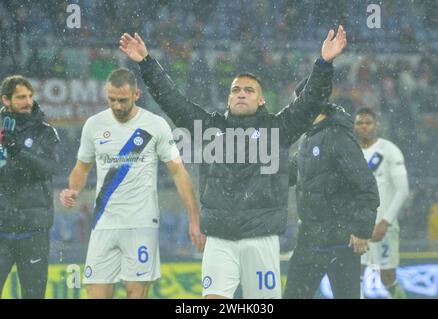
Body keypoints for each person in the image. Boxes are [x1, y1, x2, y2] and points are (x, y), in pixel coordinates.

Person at [119, 25, 347, 299]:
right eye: (236, 89)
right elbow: (174, 103)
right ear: (228, 97)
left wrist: (324, 64)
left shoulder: (278, 129)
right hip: (219, 241)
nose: (241, 93)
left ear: (261, 99)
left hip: (261, 241)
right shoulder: (210, 128)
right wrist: (146, 63)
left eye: (249, 90)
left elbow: (310, 104)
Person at [59, 68, 204, 299]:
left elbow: (178, 171)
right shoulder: (94, 125)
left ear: (136, 94)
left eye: (123, 100)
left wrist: (194, 218)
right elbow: (81, 167)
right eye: (112, 100)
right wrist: (73, 189)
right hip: (103, 223)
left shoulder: (155, 125)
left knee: (135, 294)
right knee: (95, 294)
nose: (116, 106)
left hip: (141, 223)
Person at [283, 103, 379, 299]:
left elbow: (366, 185)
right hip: (309, 237)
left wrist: (361, 230)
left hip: (340, 239)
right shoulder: (307, 137)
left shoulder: (339, 136)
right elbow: (289, 174)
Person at [0, 75, 60, 298]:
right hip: (1, 228)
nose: (28, 101)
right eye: (21, 97)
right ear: (6, 100)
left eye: (30, 96)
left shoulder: (45, 131)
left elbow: (50, 168)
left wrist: (18, 151)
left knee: (33, 295)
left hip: (33, 231)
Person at [355, 107, 409, 299]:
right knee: (355, 273)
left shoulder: (389, 150)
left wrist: (385, 222)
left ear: (376, 125)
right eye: (359, 123)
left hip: (384, 226)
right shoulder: (350, 152)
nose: (363, 127)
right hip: (358, 227)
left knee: (387, 277)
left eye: (367, 122)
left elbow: (403, 189)